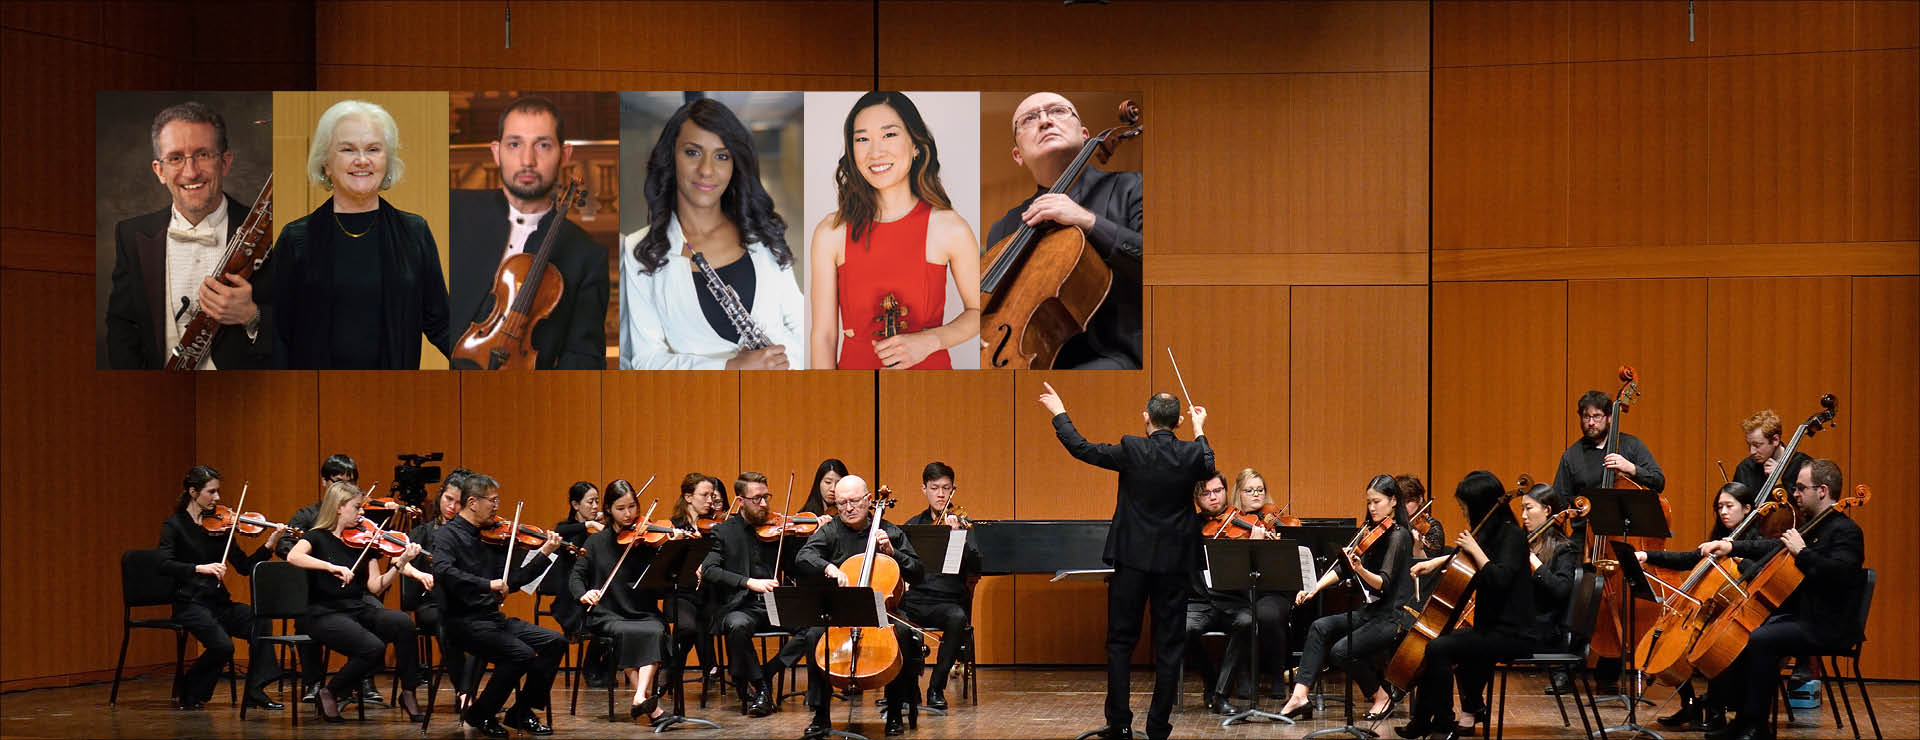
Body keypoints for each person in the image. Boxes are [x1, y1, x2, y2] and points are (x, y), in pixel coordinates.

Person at [1040, 383, 1214, 740]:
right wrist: (1199, 429)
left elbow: (1082, 448)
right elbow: (1208, 464)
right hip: (1175, 563)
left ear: (1145, 418)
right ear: (1178, 420)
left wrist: (1059, 412)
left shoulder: (1132, 448)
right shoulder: (1191, 454)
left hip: (1132, 559)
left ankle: (1119, 723)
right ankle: (1158, 727)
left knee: (1120, 642)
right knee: (1169, 646)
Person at [621, 97, 804, 370]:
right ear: (671, 157)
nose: (706, 170)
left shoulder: (763, 233)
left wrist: (784, 365)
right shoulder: (639, 251)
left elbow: (801, 325)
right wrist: (730, 369)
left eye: (722, 156)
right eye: (692, 152)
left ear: (734, 165)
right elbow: (644, 360)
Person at [265, 98, 449, 369]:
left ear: (387, 160)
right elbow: (277, 334)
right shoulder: (295, 239)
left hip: (395, 396)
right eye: (348, 149)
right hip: (317, 397)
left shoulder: (415, 232)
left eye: (373, 149)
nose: (362, 161)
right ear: (326, 162)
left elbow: (440, 322)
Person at [809, 90, 980, 369]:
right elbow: (824, 336)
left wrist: (932, 340)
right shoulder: (831, 231)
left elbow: (979, 312)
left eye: (889, 135)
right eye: (862, 139)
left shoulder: (949, 227)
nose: (876, 152)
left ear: (915, 145)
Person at [1694, 460, 1863, 740]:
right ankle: (1743, 719)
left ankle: (1756, 727)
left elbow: (1842, 575)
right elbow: (1772, 545)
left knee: (1761, 638)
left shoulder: (1846, 531)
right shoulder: (1813, 526)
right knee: (1746, 632)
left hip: (1828, 623)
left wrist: (1803, 553)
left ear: (1822, 490)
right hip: (1805, 616)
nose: (1794, 494)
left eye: (1800, 488)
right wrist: (1731, 545)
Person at [107, 101, 273, 369]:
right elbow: (122, 328)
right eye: (175, 158)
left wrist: (253, 316)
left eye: (203, 154)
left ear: (225, 162)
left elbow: (308, 326)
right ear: (159, 171)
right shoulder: (131, 235)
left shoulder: (271, 231)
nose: (191, 171)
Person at [985, 92, 1143, 370]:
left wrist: (1087, 220)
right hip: (1025, 358)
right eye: (1029, 119)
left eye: (1057, 111)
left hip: (1116, 357)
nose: (1045, 121)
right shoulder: (1005, 227)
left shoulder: (1131, 187)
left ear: (1084, 135)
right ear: (1017, 155)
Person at [449, 96, 609, 369]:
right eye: (514, 144)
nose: (527, 160)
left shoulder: (587, 254)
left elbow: (583, 358)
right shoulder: (452, 209)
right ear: (496, 151)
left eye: (543, 145)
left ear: (565, 154)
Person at [1397, 471, 1535, 740]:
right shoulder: (1488, 534)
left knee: (1439, 648)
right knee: (1433, 642)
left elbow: (1499, 579)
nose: (1464, 512)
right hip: (1488, 627)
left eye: (1465, 507)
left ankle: (1445, 724)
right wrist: (1435, 562)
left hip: (1512, 633)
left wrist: (1476, 550)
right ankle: (1423, 720)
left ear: (1482, 505)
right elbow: (1463, 560)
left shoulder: (1513, 536)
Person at [430, 473, 567, 738]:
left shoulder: (490, 537)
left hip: (491, 619)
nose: (496, 507)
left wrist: (544, 554)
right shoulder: (448, 535)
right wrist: (485, 584)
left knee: (555, 642)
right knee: (521, 654)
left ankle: (521, 711)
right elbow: (443, 570)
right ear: (472, 502)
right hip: (462, 622)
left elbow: (511, 582)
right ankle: (480, 713)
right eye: (492, 501)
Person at [795, 475, 927, 737]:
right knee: (812, 636)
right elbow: (803, 556)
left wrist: (892, 553)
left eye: (854, 501)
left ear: (868, 501)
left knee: (902, 635)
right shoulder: (831, 530)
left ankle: (893, 712)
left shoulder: (889, 531)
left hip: (882, 612)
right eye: (841, 503)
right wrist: (828, 566)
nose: (848, 508)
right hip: (841, 612)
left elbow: (919, 572)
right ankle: (821, 715)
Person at [1552, 388, 1665, 693]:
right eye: (1586, 417)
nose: (1591, 422)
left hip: (1621, 538)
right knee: (1579, 597)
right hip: (1584, 539)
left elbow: (1658, 480)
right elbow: (1560, 498)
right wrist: (1570, 513)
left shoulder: (1630, 446)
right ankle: (1568, 667)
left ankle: (1609, 671)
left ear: (1610, 417)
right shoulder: (1573, 455)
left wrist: (1631, 469)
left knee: (1621, 597)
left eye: (1597, 416)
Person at [283, 481, 425, 722]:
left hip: (356, 608)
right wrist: (330, 567)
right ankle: (331, 690)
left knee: (403, 624)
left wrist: (400, 564)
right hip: (322, 612)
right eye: (357, 507)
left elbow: (375, 586)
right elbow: (293, 556)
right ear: (339, 507)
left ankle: (408, 691)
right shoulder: (316, 537)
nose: (362, 513)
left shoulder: (364, 541)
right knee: (373, 648)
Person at [1278, 474, 1414, 723]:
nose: (1372, 508)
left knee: (1341, 651)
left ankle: (1381, 696)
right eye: (1369, 502)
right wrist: (1314, 589)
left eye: (1377, 501)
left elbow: (1383, 583)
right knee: (1320, 627)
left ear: (1394, 501)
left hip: (1392, 617)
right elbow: (1341, 570)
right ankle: (1300, 695)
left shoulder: (1399, 536)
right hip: (1370, 613)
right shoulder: (1373, 531)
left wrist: (1360, 570)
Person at [156, 465, 288, 710]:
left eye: (218, 492)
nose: (217, 498)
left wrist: (269, 544)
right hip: (189, 602)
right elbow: (163, 563)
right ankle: (189, 689)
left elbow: (245, 567)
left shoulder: (220, 526)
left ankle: (256, 690)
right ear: (193, 492)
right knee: (223, 645)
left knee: (259, 621)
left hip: (218, 603)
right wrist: (199, 568)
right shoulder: (175, 526)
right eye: (211, 492)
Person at [1633, 481, 1763, 732]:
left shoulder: (1755, 542)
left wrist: (1739, 557)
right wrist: (1648, 556)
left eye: (1729, 506)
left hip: (1740, 618)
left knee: (1712, 646)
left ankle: (1716, 710)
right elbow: (1687, 559)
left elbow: (1759, 573)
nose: (1723, 512)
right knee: (1678, 644)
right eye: (1719, 507)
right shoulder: (1719, 540)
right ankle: (1690, 704)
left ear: (1747, 509)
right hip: (1712, 613)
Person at [700, 471, 817, 717]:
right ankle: (763, 688)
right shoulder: (725, 532)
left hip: (776, 603)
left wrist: (805, 538)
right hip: (742, 606)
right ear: (741, 501)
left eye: (767, 497)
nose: (764, 504)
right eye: (757, 499)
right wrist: (748, 582)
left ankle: (765, 672)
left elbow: (795, 568)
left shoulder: (777, 527)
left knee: (815, 627)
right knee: (737, 626)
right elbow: (709, 569)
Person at [571, 479, 675, 724]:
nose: (628, 514)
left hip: (642, 610)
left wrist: (671, 545)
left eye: (632, 507)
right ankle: (651, 707)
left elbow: (662, 577)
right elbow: (576, 575)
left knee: (656, 630)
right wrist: (583, 593)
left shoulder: (646, 541)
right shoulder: (595, 542)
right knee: (627, 632)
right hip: (609, 613)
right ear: (608, 509)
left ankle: (640, 696)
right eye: (621, 508)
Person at [898, 461, 980, 711]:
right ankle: (907, 689)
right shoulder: (914, 524)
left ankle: (936, 687)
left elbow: (976, 564)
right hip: (918, 597)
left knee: (957, 618)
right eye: (935, 488)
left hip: (948, 599)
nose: (941, 494)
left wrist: (957, 537)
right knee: (895, 620)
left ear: (953, 489)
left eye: (946, 488)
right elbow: (904, 563)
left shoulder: (964, 522)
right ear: (924, 489)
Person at [1186, 473, 1254, 715]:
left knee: (1247, 622)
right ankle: (1211, 679)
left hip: (1233, 601)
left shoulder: (1240, 524)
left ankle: (1221, 695)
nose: (1213, 497)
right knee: (1183, 629)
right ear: (1196, 498)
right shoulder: (1189, 525)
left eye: (1218, 491)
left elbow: (1258, 569)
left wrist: (1256, 545)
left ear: (1226, 491)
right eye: (1206, 493)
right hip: (1199, 602)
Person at [1226, 467, 1294, 696]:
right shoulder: (1231, 525)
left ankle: (1276, 674)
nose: (1256, 494)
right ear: (1238, 493)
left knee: (1267, 614)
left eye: (1260, 489)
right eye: (1249, 490)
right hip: (1241, 592)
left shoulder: (1274, 521)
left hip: (1274, 592)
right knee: (1243, 616)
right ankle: (1244, 675)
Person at [407, 468, 467, 695]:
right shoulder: (423, 532)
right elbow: (400, 561)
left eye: (458, 502)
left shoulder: (472, 534)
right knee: (447, 627)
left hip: (464, 603)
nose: (451, 506)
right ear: (440, 496)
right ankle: (464, 693)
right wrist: (419, 574)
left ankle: (486, 695)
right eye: (448, 499)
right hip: (432, 604)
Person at [1518, 483, 1580, 696]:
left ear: (1547, 510)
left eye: (1529, 508)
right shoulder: (1524, 542)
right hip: (1524, 624)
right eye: (1522, 509)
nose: (1523, 515)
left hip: (1544, 631)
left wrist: (1534, 564)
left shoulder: (1565, 548)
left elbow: (1561, 590)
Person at [668, 473, 725, 682]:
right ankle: (673, 673)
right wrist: (675, 545)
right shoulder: (673, 526)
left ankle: (672, 676)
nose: (711, 501)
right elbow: (666, 568)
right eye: (705, 495)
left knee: (706, 620)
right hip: (680, 594)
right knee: (688, 626)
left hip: (709, 594)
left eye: (712, 495)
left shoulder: (715, 528)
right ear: (688, 497)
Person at [1732, 410, 1812, 497]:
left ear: (1775, 440)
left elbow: (1806, 507)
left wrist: (1779, 482)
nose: (1752, 452)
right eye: (1749, 445)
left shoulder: (1804, 465)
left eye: (1757, 445)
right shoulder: (1744, 469)